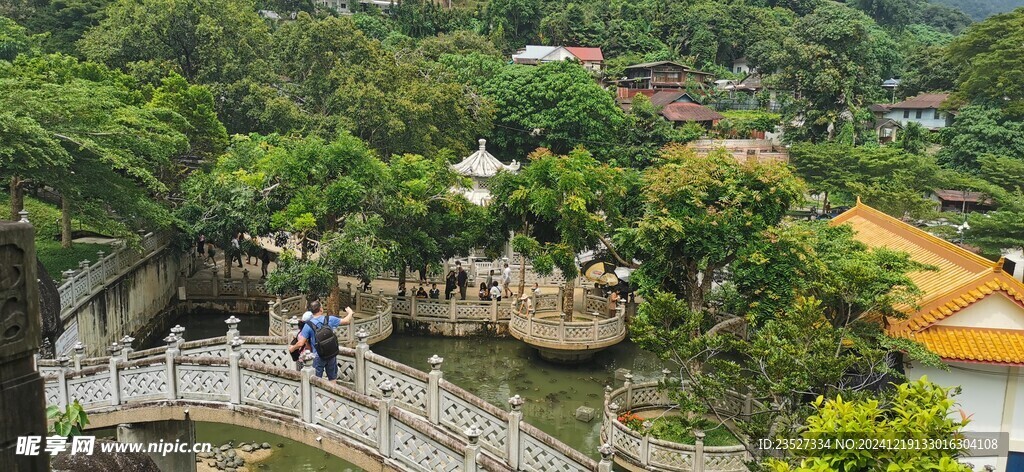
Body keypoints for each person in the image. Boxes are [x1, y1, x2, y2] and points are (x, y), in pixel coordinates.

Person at [288, 301, 353, 380]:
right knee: (332, 379)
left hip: (317, 356)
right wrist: (350, 313)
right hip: (331, 353)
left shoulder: (308, 325)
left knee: (316, 380)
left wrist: (292, 348)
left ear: (311, 312)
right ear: (321, 309)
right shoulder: (329, 319)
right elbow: (346, 320)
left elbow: (300, 343)